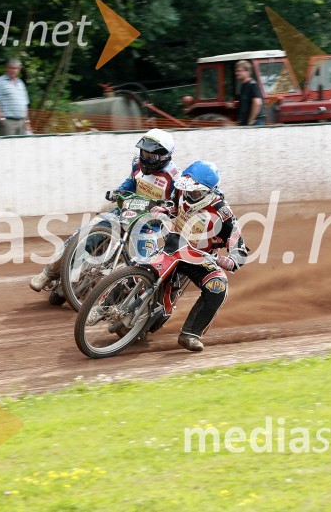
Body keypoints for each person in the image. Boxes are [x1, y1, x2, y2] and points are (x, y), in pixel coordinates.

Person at [29, 128, 180, 304]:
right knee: (84, 233)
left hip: (147, 226)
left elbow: (177, 205)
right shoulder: (137, 164)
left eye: (152, 155)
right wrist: (119, 191)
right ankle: (49, 272)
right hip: (124, 212)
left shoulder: (174, 178)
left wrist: (169, 209)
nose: (146, 157)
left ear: (164, 156)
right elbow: (131, 182)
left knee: (147, 267)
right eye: (144, 152)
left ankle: (131, 306)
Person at [162, 160, 247, 352]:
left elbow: (239, 249)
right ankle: (106, 302)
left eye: (196, 192)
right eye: (188, 189)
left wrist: (230, 260)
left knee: (218, 287)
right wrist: (162, 210)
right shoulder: (181, 189)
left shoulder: (223, 213)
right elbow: (170, 206)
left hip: (199, 258)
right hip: (172, 245)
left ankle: (191, 334)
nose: (189, 195)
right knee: (141, 258)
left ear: (210, 192)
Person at [0, 58, 33, 136]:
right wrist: (1, 119)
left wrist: (27, 122)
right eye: (11, 68)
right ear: (6, 68)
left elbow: (24, 104)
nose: (14, 70)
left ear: (19, 70)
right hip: (8, 121)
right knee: (7, 146)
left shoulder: (20, 83)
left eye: (16, 68)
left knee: (22, 146)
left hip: (22, 121)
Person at [235, 60, 264, 126]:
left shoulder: (252, 85)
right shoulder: (243, 86)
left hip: (255, 123)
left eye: (239, 71)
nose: (236, 73)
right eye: (236, 71)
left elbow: (257, 103)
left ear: (247, 71)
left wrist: (251, 121)